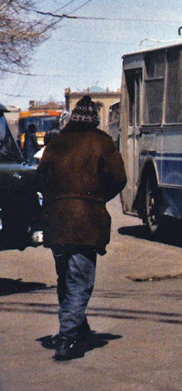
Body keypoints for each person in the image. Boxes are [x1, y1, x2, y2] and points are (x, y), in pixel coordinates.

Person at [36, 96, 126, 361]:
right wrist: (96, 197)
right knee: (79, 280)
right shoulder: (102, 142)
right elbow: (119, 179)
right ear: (95, 119)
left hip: (57, 222)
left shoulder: (57, 143)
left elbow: (41, 179)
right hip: (86, 222)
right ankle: (69, 338)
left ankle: (77, 327)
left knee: (65, 277)